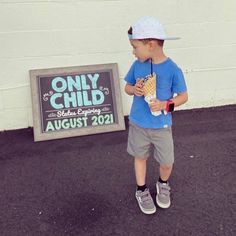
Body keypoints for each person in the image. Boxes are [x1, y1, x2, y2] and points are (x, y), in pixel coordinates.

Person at [124, 16, 188, 214]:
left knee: (167, 161)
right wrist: (134, 89)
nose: (133, 52)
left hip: (161, 125)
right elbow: (127, 87)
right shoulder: (137, 66)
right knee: (140, 156)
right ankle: (141, 190)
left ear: (150, 44)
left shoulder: (172, 69)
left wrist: (166, 104)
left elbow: (183, 96)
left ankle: (163, 183)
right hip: (139, 123)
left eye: (135, 47)